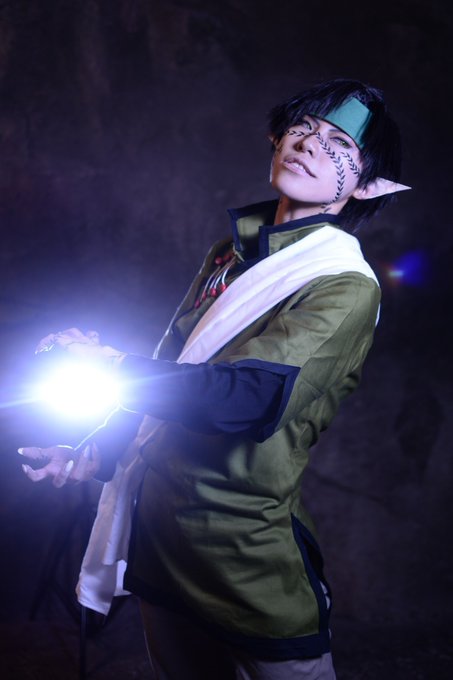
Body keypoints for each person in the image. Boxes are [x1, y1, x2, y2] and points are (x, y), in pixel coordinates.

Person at [19, 78, 407, 679]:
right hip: (158, 534)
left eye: (338, 144)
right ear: (276, 138)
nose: (310, 144)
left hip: (239, 548)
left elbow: (246, 398)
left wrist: (112, 363)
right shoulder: (230, 254)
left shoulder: (344, 283)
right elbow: (173, 374)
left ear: (366, 185)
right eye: (303, 128)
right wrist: (91, 452)